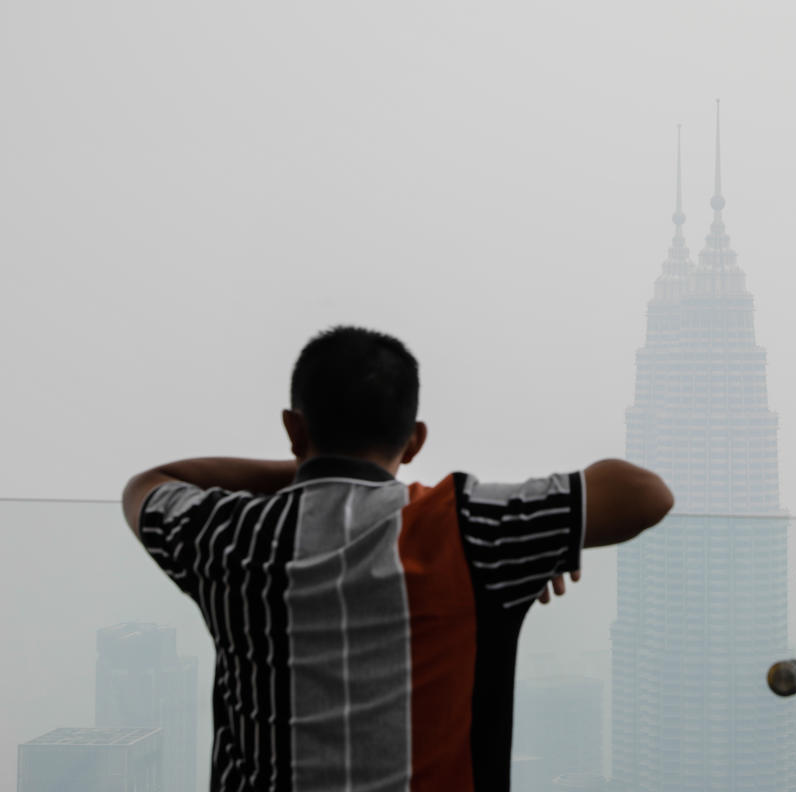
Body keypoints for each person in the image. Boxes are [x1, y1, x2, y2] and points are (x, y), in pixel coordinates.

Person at [122, 325, 673, 792]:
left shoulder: (226, 537)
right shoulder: (469, 529)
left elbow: (148, 484)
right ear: (414, 442)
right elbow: (648, 494)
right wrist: (535, 543)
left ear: (294, 428)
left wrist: (314, 473)